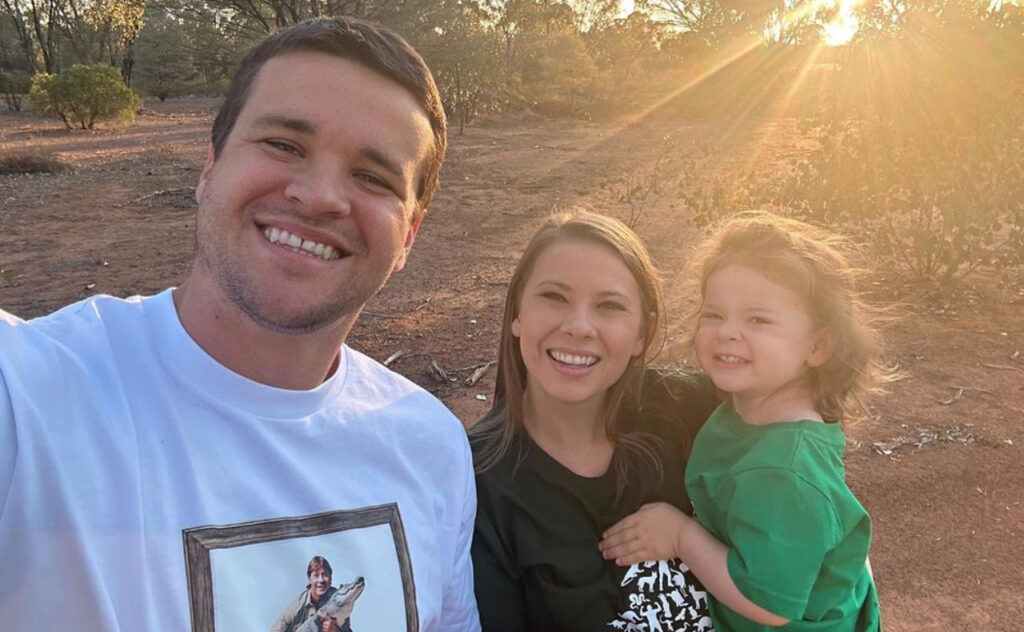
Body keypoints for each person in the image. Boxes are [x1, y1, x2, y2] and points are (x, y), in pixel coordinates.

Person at [0, 17, 478, 631]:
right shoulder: (32, 396)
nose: (319, 195)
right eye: (284, 145)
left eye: (372, 177)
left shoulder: (431, 445)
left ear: (409, 233)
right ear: (209, 169)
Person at [599, 212, 885, 631]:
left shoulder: (783, 470)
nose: (727, 332)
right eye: (714, 315)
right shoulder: (756, 406)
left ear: (818, 345)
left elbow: (767, 603)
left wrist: (680, 536)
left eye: (758, 320)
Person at [470, 210, 720, 631]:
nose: (579, 326)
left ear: (644, 331)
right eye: (554, 297)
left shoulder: (692, 411)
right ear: (517, 314)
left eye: (609, 305)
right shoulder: (476, 483)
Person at [271, 556, 354, 632]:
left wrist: (336, 630)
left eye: (325, 574)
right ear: (309, 579)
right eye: (316, 575)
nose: (321, 580)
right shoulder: (297, 606)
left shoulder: (339, 601)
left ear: (331, 578)